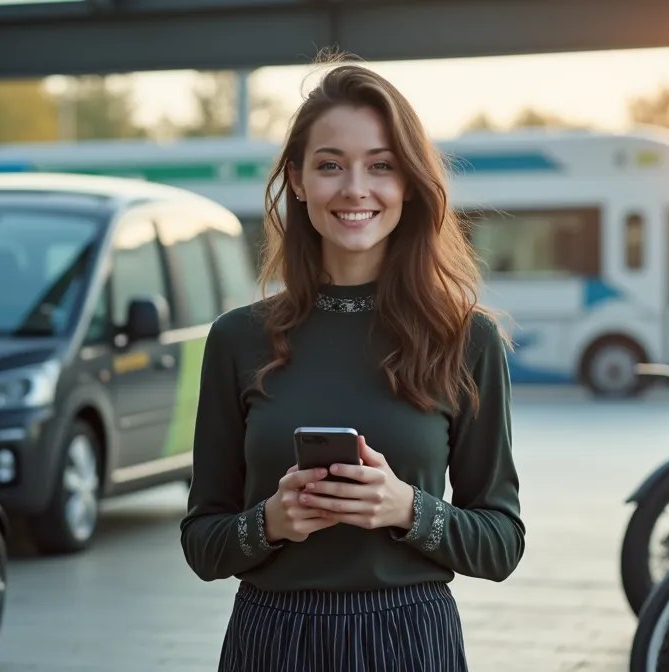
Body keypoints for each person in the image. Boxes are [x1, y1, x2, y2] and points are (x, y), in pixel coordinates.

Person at [179, 58, 525, 671]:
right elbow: (203, 545)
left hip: (411, 639)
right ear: (299, 179)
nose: (355, 188)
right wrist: (270, 522)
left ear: (410, 185)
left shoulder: (465, 339)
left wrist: (406, 509)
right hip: (270, 640)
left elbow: (501, 544)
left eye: (381, 165)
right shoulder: (237, 338)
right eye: (331, 164)